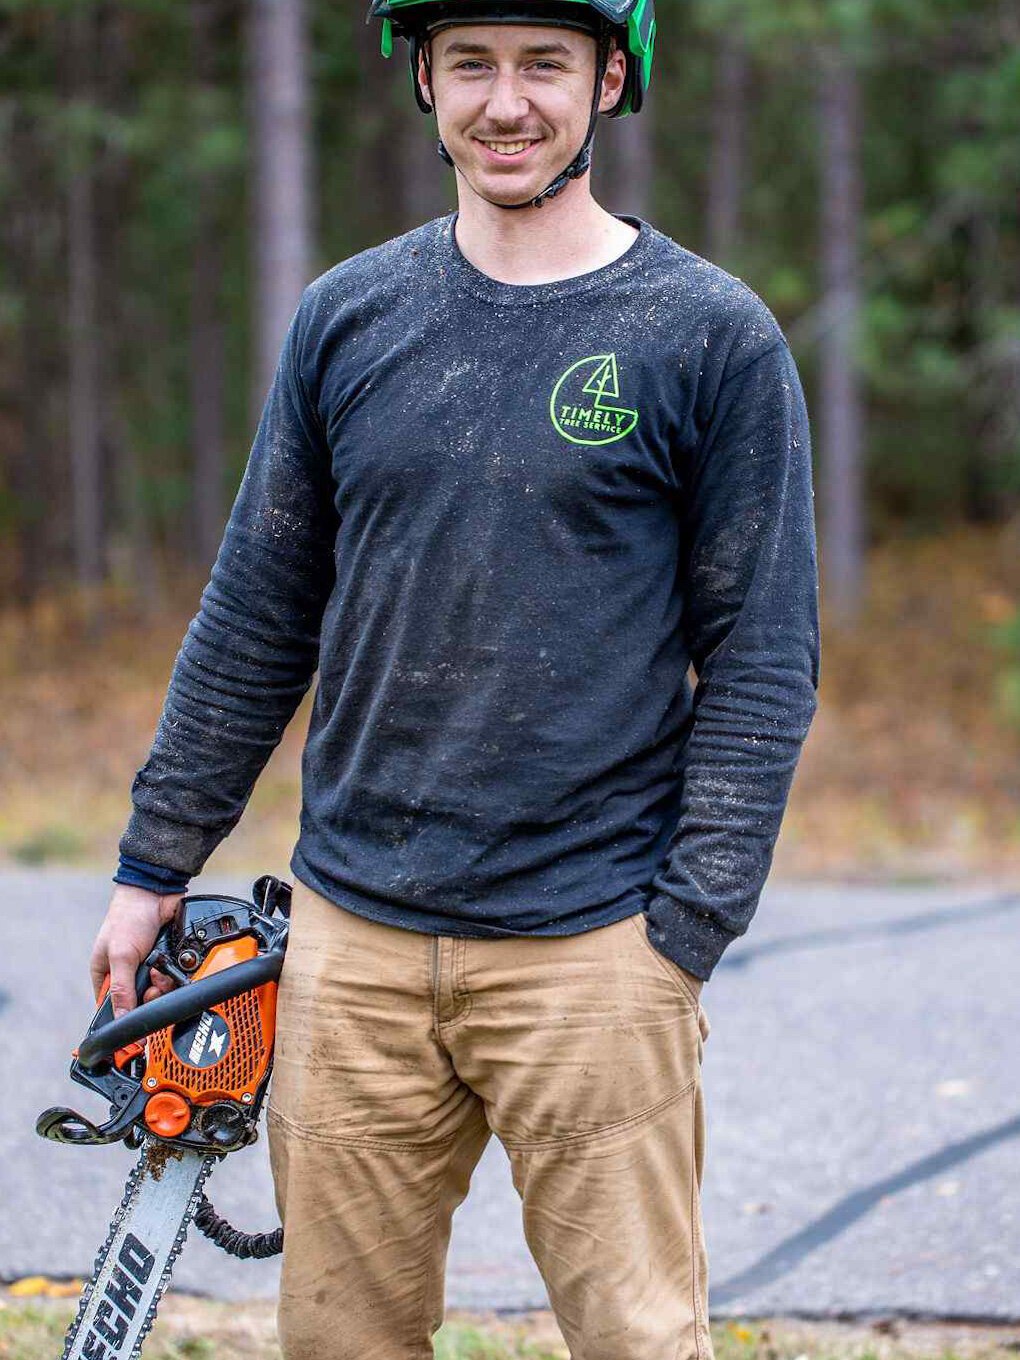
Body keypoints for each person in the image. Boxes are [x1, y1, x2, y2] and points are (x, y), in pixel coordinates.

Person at [89, 0, 820, 1353]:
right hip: (353, 948)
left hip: (595, 953)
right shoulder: (350, 318)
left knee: (641, 1341)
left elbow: (764, 660)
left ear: (612, 76)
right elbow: (258, 613)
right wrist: (151, 869)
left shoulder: (708, 336)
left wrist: (685, 934)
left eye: (545, 64)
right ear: (422, 76)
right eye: (470, 64)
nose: (505, 104)